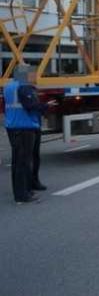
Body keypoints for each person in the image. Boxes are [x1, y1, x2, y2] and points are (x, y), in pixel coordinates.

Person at [3, 65, 54, 204]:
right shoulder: (24, 87)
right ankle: (22, 195)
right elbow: (31, 106)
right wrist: (47, 106)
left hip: (13, 125)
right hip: (24, 126)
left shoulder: (8, 86)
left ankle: (24, 190)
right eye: (31, 73)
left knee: (18, 161)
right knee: (23, 162)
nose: (33, 76)